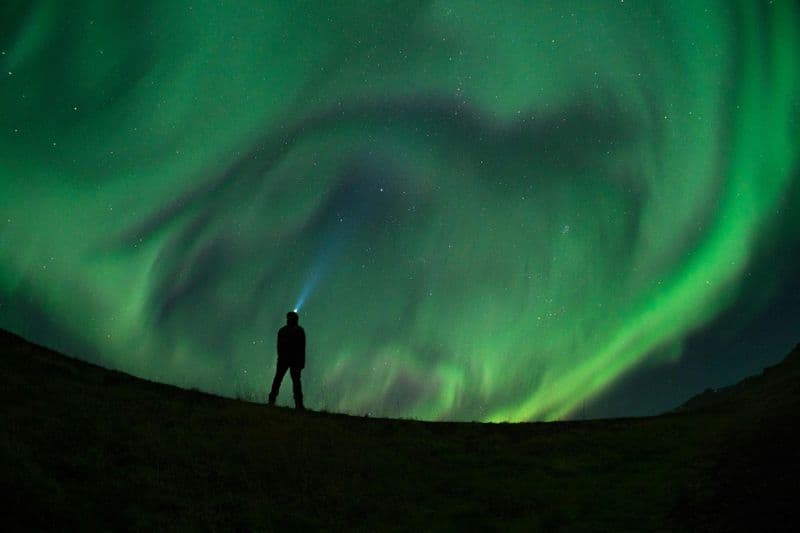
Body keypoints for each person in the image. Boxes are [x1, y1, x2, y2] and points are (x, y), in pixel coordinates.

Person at [268, 311, 305, 410]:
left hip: (287, 360)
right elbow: (301, 348)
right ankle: (299, 405)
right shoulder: (298, 331)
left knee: (279, 380)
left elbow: (301, 348)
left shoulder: (283, 331)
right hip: (290, 361)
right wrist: (301, 363)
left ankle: (272, 401)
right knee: (293, 382)